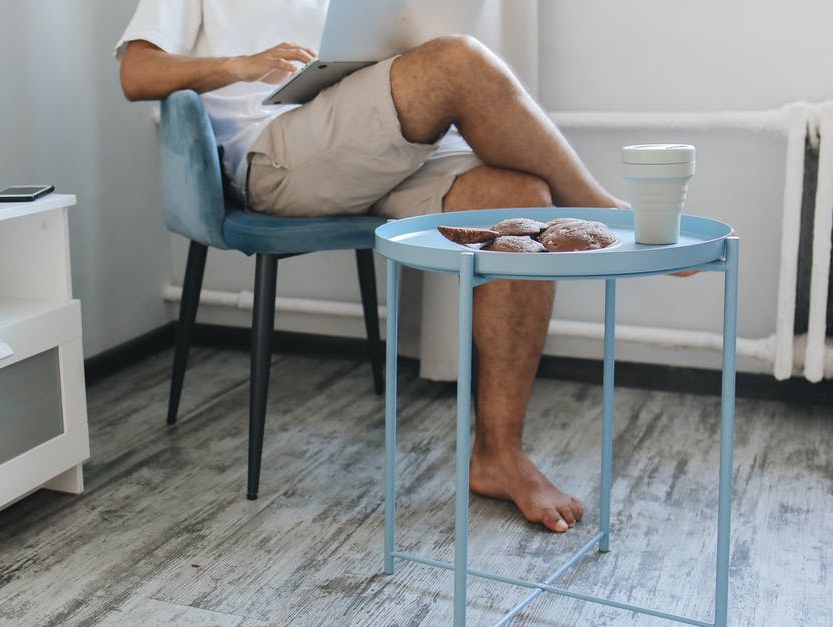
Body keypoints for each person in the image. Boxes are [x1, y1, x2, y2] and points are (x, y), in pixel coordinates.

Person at [117, 1, 628, 533]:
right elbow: (137, 72)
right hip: (276, 153)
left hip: (370, 146)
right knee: (457, 60)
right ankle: (603, 216)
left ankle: (499, 455)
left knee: (519, 199)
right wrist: (238, 65)